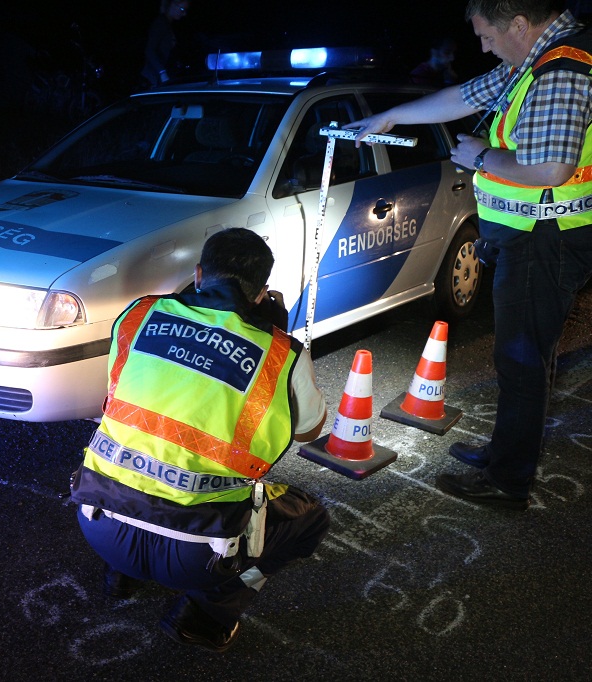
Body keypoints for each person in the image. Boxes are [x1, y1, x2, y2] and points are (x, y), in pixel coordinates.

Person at [347, 0, 592, 511]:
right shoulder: (532, 62)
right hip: (530, 235)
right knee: (521, 356)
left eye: (487, 36)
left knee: (522, 360)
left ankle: (507, 482)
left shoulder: (560, 70)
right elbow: (461, 96)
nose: (483, 47)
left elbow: (551, 169)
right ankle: (504, 453)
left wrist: (480, 156)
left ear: (519, 24)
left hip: (543, 238)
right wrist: (390, 116)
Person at [70, 228, 330, 652]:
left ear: (198, 274)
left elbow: (119, 390)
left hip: (99, 523)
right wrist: (273, 334)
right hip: (197, 556)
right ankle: (206, 615)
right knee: (311, 518)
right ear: (262, 293)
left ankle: (121, 576)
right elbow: (308, 430)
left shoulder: (139, 315)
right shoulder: (281, 353)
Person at [140, 0, 190, 88]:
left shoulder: (168, 25)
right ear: (173, 5)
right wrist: (162, 72)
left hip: (158, 78)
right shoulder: (160, 23)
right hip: (152, 79)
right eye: (182, 9)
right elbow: (149, 50)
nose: (184, 14)